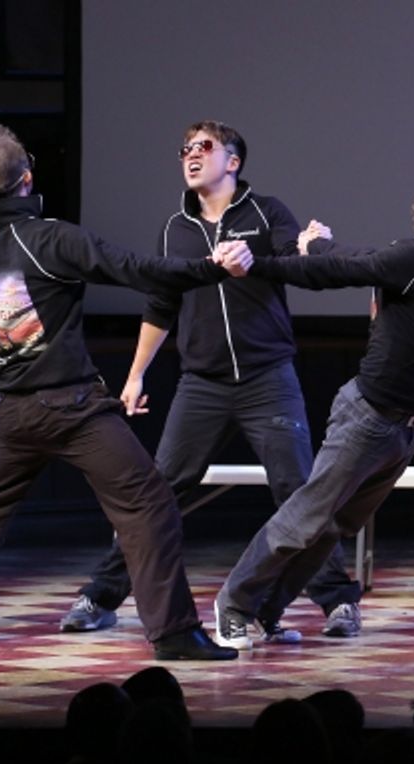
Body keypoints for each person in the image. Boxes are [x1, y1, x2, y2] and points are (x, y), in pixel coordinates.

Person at [0, 124, 238, 660]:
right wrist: (211, 268)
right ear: (27, 177)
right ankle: (174, 633)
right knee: (148, 502)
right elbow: (141, 271)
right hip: (72, 410)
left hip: (12, 417)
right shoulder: (52, 238)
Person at [59, 120, 363, 645]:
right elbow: (161, 303)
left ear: (233, 161)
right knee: (158, 491)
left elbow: (296, 262)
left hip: (268, 377)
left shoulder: (266, 212)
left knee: (299, 490)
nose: (191, 155)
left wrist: (293, 251)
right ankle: (102, 597)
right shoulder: (175, 228)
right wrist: (135, 375)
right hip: (202, 384)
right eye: (185, 149)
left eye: (204, 147)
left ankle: (337, 600)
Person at [209, 171, 414, 648]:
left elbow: (359, 256)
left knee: (331, 528)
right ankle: (233, 605)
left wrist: (318, 245)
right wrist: (258, 265)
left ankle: (265, 611)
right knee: (304, 518)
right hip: (370, 417)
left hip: (406, 427)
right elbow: (340, 271)